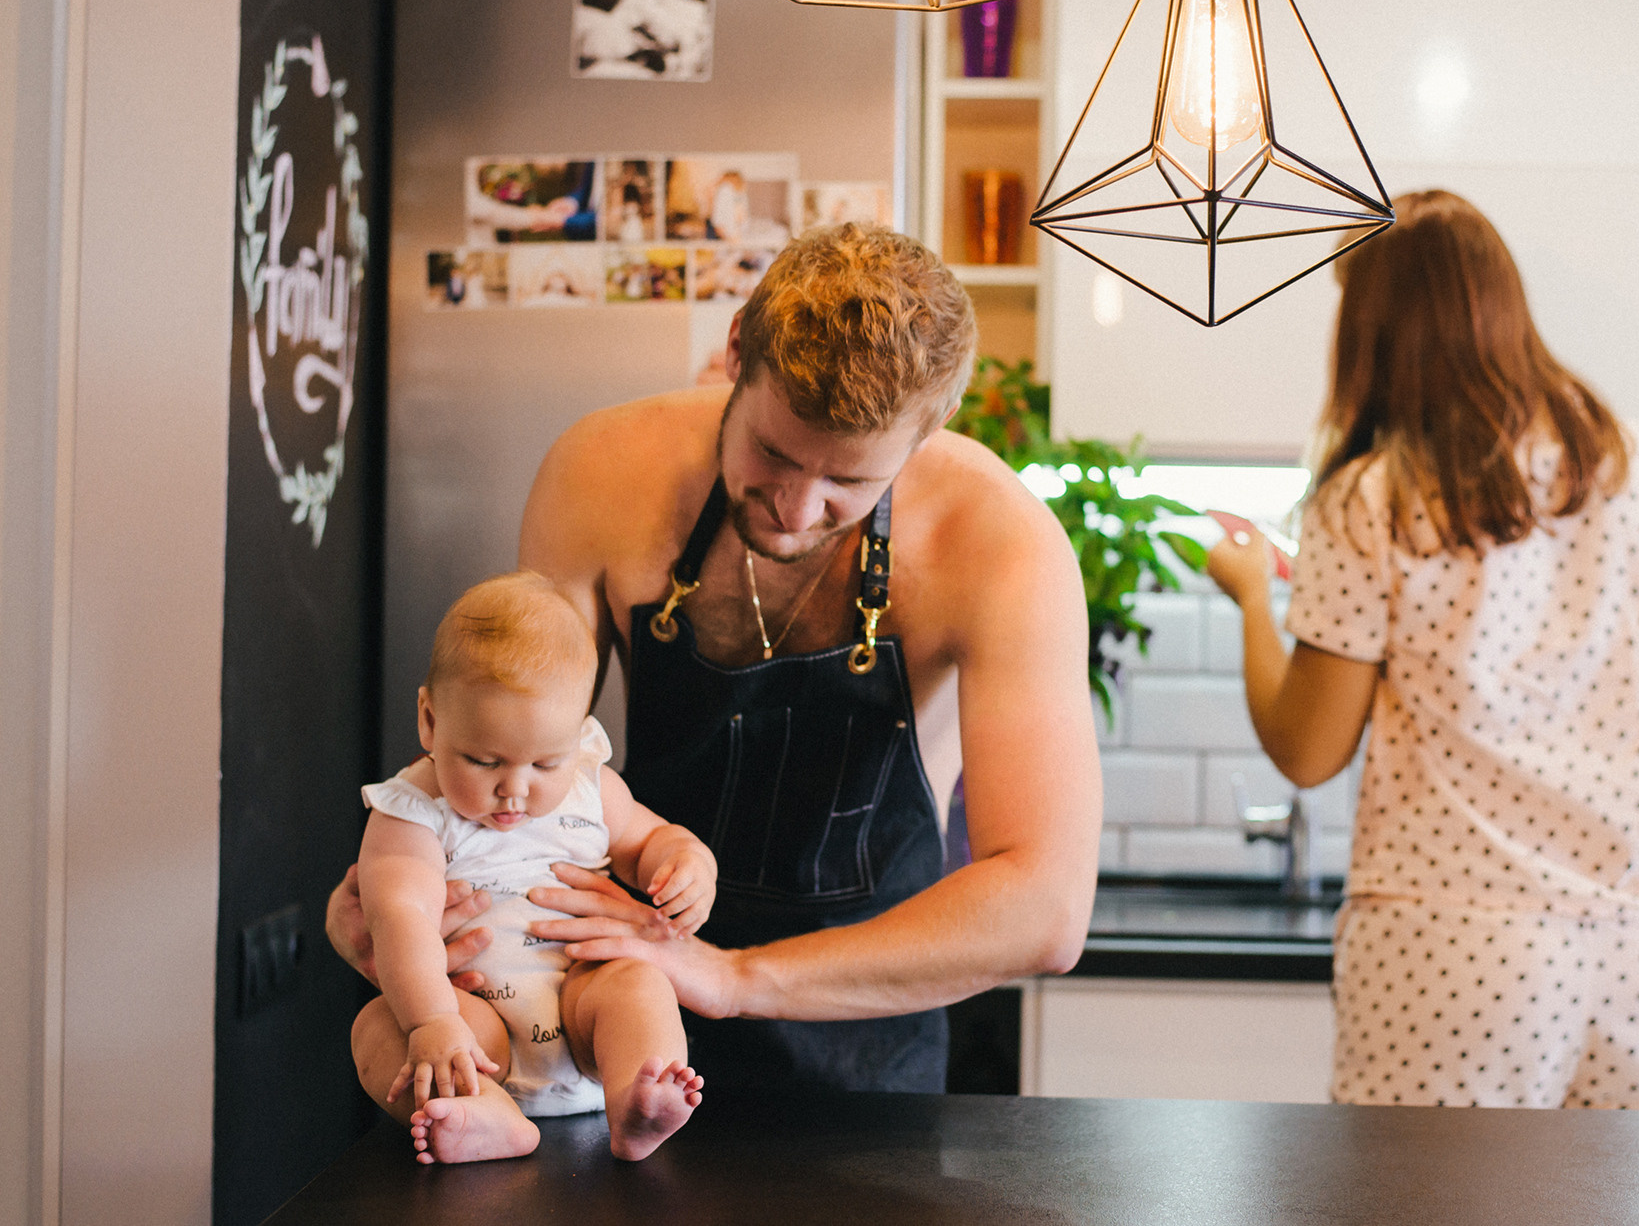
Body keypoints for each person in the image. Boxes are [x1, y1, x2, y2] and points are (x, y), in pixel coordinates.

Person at [331, 223, 1100, 1093]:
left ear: (929, 431)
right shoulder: (601, 474)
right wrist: (396, 883)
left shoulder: (999, 542)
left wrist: (733, 977)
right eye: (772, 453)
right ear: (738, 350)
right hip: (603, 1009)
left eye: (850, 482)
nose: (797, 508)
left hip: (863, 1041)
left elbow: (1046, 906)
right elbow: (515, 733)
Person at [1205, 190, 1639, 1110]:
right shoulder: (1636, 463)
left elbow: (1308, 748)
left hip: (1456, 953)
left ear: (1370, 334)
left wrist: (1253, 596)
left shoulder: (1370, 500)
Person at [349, 571, 716, 1163]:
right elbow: (399, 916)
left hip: (582, 1005)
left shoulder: (591, 787)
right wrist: (432, 1022)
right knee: (376, 1030)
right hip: (472, 1023)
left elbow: (651, 838)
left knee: (637, 984)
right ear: (430, 721)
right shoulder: (413, 812)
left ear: (577, 738)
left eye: (547, 763)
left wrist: (687, 861)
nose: (514, 789)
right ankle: (483, 1114)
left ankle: (635, 1101)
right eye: (484, 760)